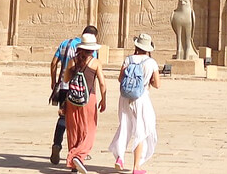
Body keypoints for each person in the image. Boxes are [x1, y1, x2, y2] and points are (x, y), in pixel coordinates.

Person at [110, 33, 160, 174]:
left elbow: (120, 79)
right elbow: (157, 84)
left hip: (125, 97)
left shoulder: (128, 60)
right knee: (142, 130)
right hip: (141, 98)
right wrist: (147, 80)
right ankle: (136, 166)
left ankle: (120, 157)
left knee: (125, 126)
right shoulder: (151, 63)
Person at [50, 25, 100, 165]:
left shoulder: (65, 44)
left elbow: (54, 63)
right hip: (83, 91)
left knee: (64, 119)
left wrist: (54, 82)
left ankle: (57, 144)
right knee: (81, 123)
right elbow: (91, 72)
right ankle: (78, 152)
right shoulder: (90, 52)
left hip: (65, 87)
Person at [63, 33, 107, 174]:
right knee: (89, 129)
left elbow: (65, 80)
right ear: (92, 49)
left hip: (72, 99)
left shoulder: (72, 61)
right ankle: (79, 156)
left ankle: (73, 163)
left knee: (73, 129)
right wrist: (104, 99)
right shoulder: (95, 63)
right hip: (89, 99)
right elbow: (101, 83)